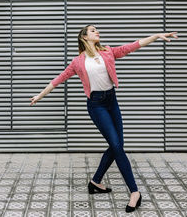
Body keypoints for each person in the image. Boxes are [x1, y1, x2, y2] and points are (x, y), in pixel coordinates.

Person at [30, 24, 178, 212]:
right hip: (97, 105)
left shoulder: (108, 51)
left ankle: (95, 182)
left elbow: (133, 45)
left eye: (96, 30)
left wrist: (156, 36)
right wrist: (39, 96)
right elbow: (58, 79)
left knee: (117, 145)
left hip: (111, 102)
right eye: (93, 30)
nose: (97, 32)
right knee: (116, 146)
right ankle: (134, 192)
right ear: (84, 37)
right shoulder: (78, 62)